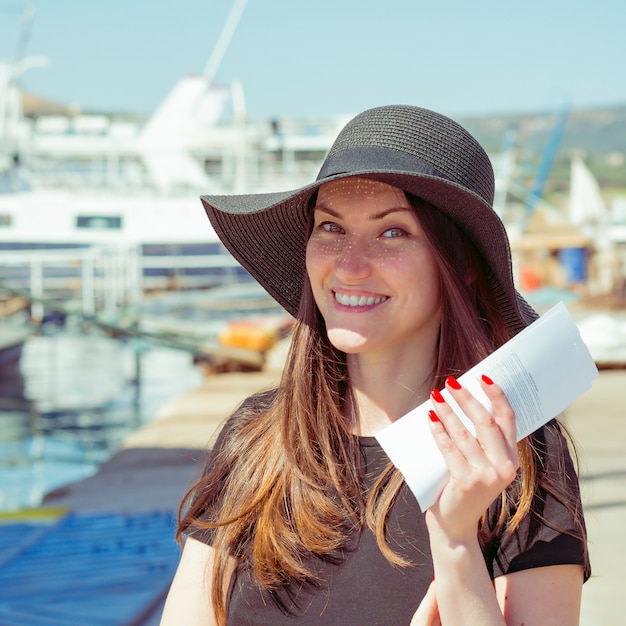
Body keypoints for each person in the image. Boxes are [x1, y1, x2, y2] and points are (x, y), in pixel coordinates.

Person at [160, 105, 590, 625]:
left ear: (463, 268)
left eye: (392, 233)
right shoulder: (257, 439)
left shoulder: (517, 452)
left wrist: (454, 541)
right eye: (330, 227)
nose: (349, 263)